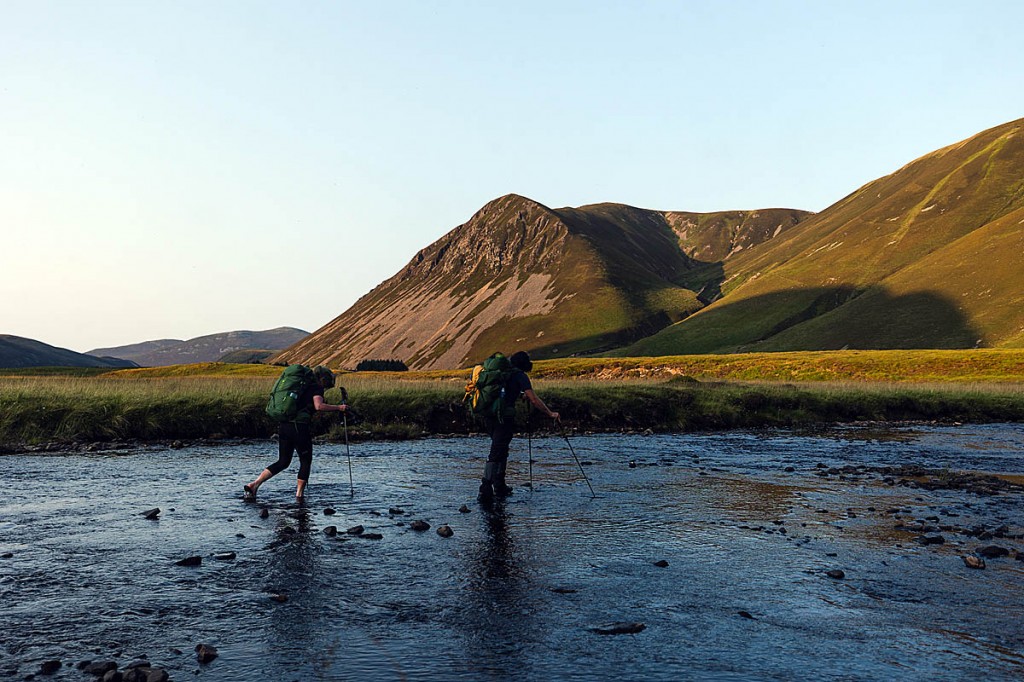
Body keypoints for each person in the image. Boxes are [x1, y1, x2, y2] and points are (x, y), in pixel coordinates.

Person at [244, 365, 348, 500]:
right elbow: (319, 406)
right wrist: (340, 408)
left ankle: (254, 484)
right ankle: (299, 496)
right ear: (323, 379)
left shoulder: (300, 387)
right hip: (300, 428)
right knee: (305, 462)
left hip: (284, 426)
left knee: (283, 461)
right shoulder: (316, 388)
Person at [479, 351, 559, 502]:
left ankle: (499, 486)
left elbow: (507, 392)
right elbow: (534, 400)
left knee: (501, 449)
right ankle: (485, 489)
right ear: (524, 363)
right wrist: (550, 413)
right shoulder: (520, 375)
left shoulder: (502, 373)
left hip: (489, 416)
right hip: (504, 418)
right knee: (497, 451)